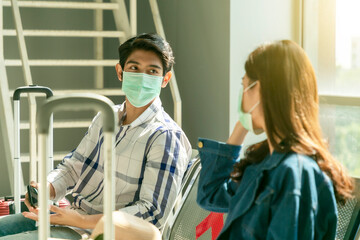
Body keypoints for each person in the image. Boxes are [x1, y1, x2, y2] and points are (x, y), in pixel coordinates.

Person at [0, 33, 192, 239]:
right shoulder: (105, 117)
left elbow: (151, 214)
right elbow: (75, 166)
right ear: (120, 72)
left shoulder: (166, 137)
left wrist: (77, 220)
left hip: (102, 234)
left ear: (165, 79)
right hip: (73, 219)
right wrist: (48, 188)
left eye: (152, 71)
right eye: (134, 68)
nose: (143, 77)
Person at [196, 40, 354, 239]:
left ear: (260, 90)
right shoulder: (264, 166)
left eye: (244, 85)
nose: (242, 96)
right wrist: (241, 127)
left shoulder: (293, 174)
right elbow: (210, 194)